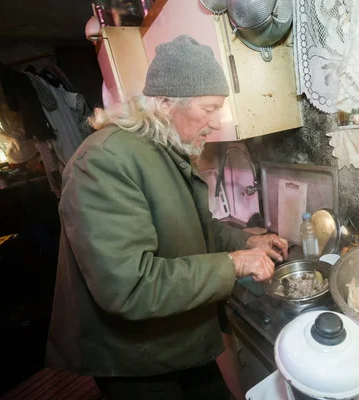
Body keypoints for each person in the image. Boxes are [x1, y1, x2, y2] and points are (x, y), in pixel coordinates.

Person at [45, 35, 288, 399]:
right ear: (164, 103)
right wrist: (233, 263)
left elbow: (195, 228)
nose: (215, 122)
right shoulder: (103, 161)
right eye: (208, 109)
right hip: (133, 360)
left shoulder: (163, 149)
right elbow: (129, 285)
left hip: (176, 338)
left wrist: (246, 241)